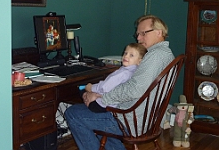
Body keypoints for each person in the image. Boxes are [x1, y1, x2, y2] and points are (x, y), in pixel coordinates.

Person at [65, 14, 175, 150]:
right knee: (97, 115)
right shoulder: (165, 54)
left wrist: (101, 98)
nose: (139, 38)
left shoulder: (156, 56)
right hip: (145, 120)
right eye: (138, 34)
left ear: (159, 32)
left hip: (131, 122)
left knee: (73, 114)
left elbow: (135, 89)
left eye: (143, 33)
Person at [82, 43, 146, 113]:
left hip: (102, 105)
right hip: (114, 105)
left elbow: (105, 87)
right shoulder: (134, 72)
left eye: (131, 55)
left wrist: (91, 87)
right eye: (125, 53)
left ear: (139, 61)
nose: (126, 56)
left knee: (82, 90)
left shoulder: (124, 73)